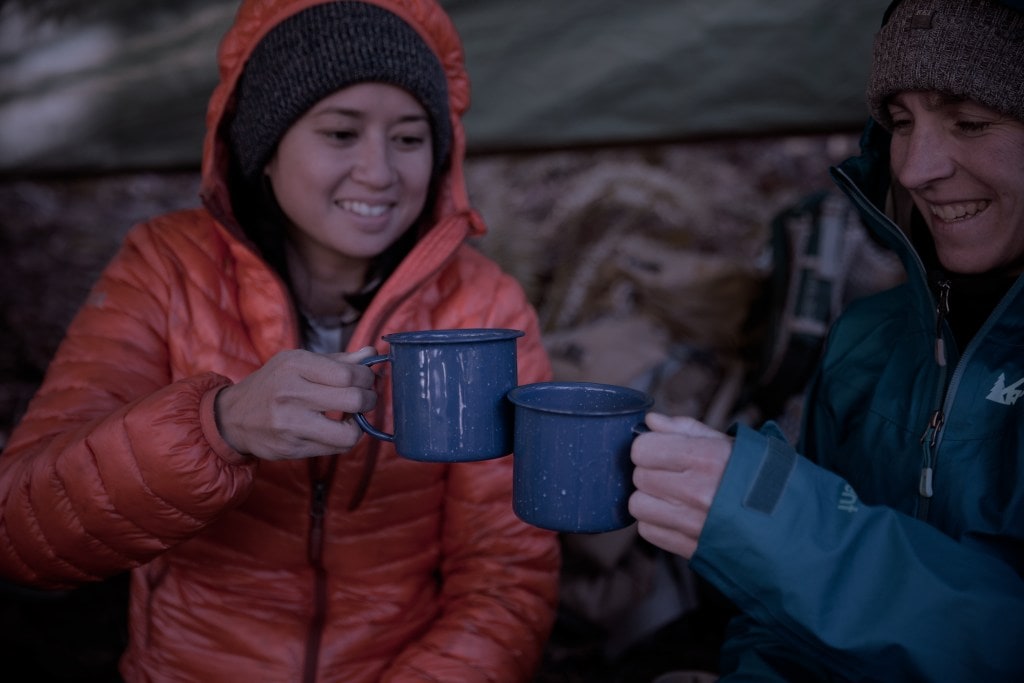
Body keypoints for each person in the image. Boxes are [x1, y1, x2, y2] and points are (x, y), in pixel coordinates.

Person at [0, 0, 560, 681]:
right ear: (265, 149)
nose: (380, 173)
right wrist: (216, 428)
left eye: (410, 139)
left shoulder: (483, 304)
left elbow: (507, 571)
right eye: (340, 133)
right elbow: (24, 536)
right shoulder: (168, 269)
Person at [628, 0, 1024, 680]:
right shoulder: (866, 339)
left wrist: (776, 519)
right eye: (900, 124)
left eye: (969, 122)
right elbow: (777, 626)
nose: (915, 168)